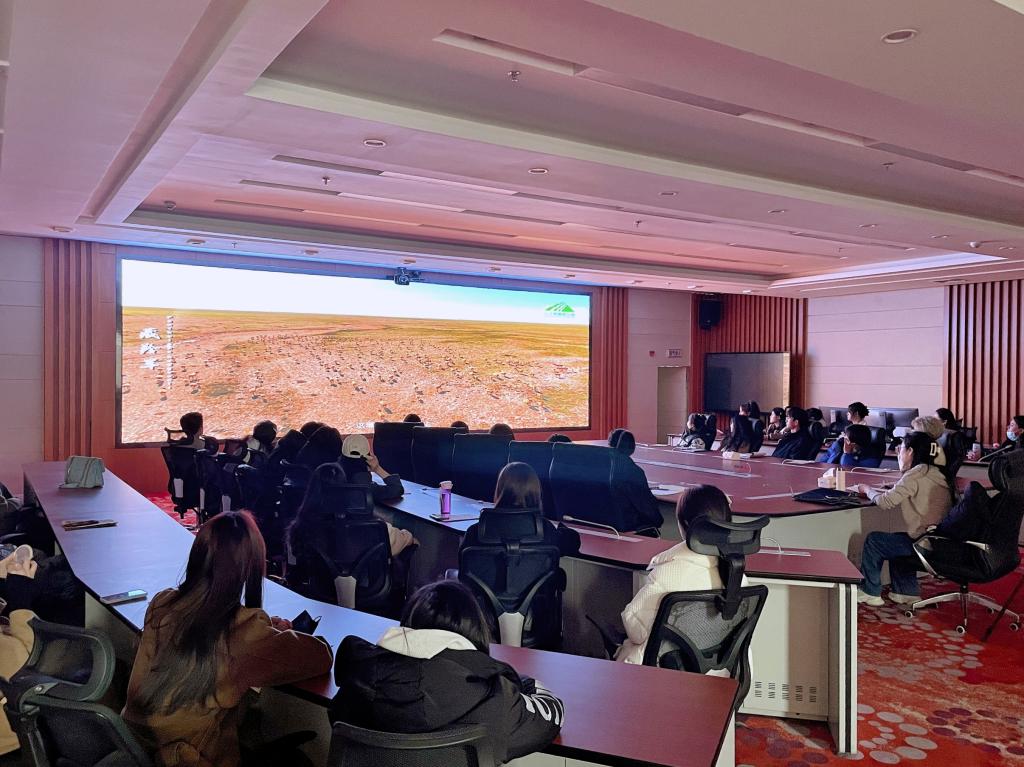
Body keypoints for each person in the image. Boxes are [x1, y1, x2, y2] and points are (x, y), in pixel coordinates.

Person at [123, 512, 333, 767]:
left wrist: (265, 629)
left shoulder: (162, 605)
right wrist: (274, 632)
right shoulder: (245, 632)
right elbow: (320, 656)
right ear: (250, 569)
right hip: (195, 759)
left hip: (140, 748)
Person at [330, 580, 564, 765]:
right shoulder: (495, 698)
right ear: (477, 632)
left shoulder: (356, 681)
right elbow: (551, 714)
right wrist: (519, 681)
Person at [616, 485, 734, 664]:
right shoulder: (736, 573)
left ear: (683, 524)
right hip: (718, 674)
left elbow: (635, 628)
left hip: (661, 672)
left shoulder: (670, 572)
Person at [851, 431, 956, 606]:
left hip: (926, 543)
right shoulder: (937, 472)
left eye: (902, 449)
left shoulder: (916, 473)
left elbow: (885, 502)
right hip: (941, 541)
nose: (899, 452)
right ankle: (905, 591)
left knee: (875, 541)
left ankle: (870, 592)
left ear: (911, 451)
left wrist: (866, 489)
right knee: (900, 540)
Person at [462, 462, 580, 557]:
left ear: (499, 490)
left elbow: (464, 565)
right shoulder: (546, 530)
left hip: (486, 581)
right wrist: (561, 528)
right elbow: (573, 541)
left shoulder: (476, 531)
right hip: (535, 581)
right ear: (536, 492)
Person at [608, 429, 663, 533]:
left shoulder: (601, 467)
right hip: (627, 524)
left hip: (604, 522)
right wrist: (658, 519)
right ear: (632, 448)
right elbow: (646, 507)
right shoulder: (633, 472)